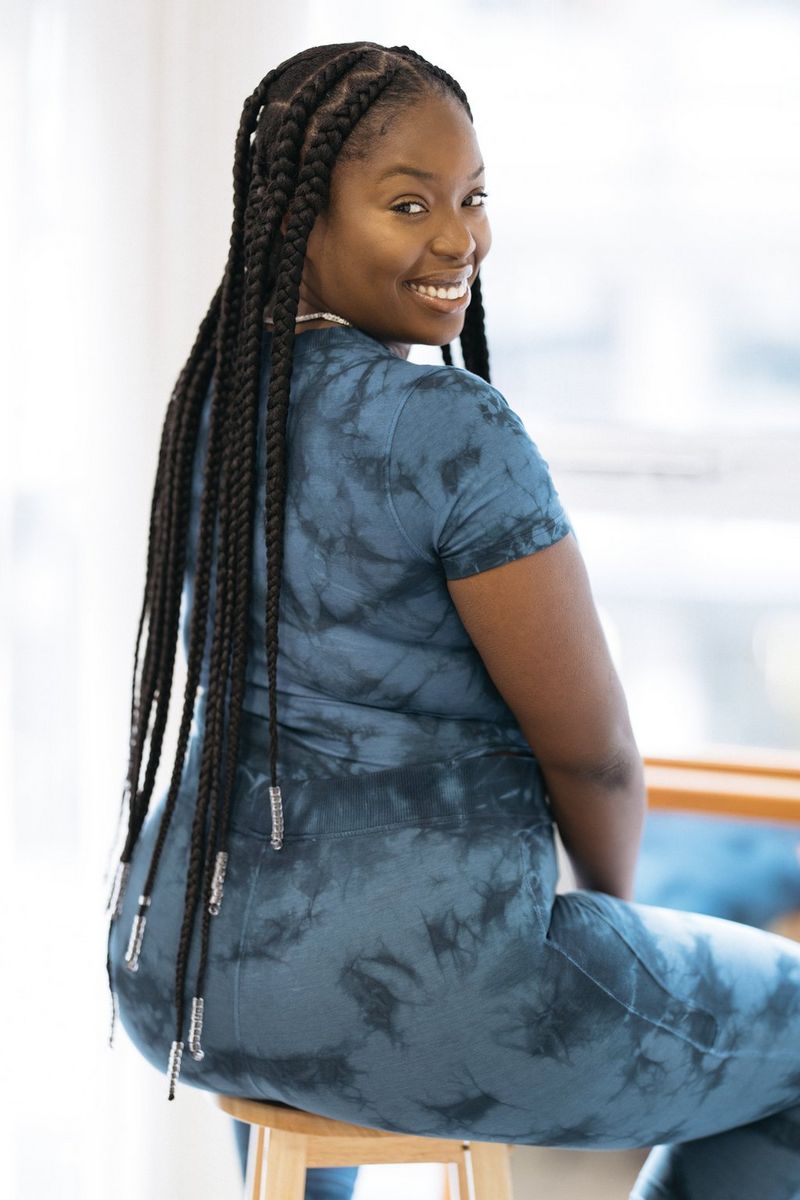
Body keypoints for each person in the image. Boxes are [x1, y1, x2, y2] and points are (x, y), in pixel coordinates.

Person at [104, 42, 800, 1200]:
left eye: (472, 197)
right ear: (300, 222)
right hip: (427, 997)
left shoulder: (221, 404)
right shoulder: (452, 426)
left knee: (313, 1011)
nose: (457, 239)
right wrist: (609, 920)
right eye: (407, 204)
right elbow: (592, 752)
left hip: (185, 973)